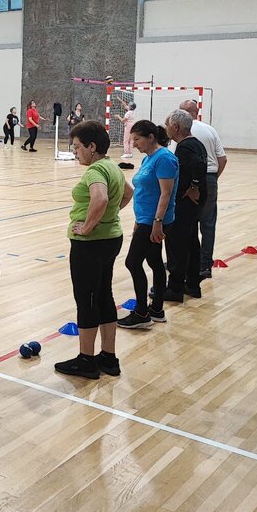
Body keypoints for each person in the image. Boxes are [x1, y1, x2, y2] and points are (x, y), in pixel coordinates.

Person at [54, 121, 131, 379]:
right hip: (111, 238)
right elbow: (128, 193)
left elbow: (100, 198)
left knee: (86, 299)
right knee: (104, 295)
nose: (75, 152)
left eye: (77, 147)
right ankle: (108, 357)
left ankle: (86, 360)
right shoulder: (113, 166)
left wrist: (88, 226)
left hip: (91, 244)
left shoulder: (95, 171)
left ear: (92, 146)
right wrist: (107, 218)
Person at [118, 120, 177, 329]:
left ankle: (142, 312)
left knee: (132, 262)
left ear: (151, 137)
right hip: (145, 220)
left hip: (153, 221)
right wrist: (138, 221)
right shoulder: (148, 158)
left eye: (137, 139)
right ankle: (157, 310)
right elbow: (145, 191)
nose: (134, 144)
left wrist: (157, 223)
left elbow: (166, 193)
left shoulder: (164, 159)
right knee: (154, 260)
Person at [175, 100, 227, 280]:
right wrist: (212, 180)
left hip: (188, 182)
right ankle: (205, 265)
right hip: (210, 177)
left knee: (185, 223)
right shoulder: (210, 130)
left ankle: (185, 263)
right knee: (208, 224)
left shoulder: (181, 133)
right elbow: (222, 159)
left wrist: (193, 185)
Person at [161, 109, 208, 301]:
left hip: (184, 203)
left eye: (167, 125)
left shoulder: (185, 147)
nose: (166, 128)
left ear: (176, 127)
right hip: (193, 205)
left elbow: (199, 166)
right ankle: (192, 284)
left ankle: (175, 288)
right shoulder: (197, 144)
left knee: (177, 245)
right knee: (191, 243)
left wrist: (194, 186)